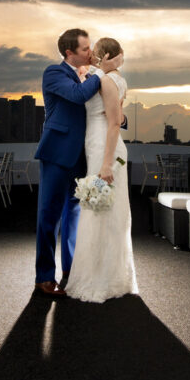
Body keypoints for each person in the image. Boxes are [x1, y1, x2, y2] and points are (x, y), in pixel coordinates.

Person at [34, 29, 121, 297]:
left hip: (83, 156)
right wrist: (101, 72)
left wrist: (119, 117)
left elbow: (96, 109)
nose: (90, 53)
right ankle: (44, 277)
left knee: (74, 217)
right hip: (57, 154)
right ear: (69, 52)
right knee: (49, 217)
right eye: (85, 49)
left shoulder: (87, 77)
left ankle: (72, 272)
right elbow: (76, 96)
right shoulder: (54, 73)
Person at [65, 37, 138, 303]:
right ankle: (107, 273)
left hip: (106, 151)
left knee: (97, 210)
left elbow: (114, 123)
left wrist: (106, 164)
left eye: (95, 54)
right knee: (105, 210)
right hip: (99, 147)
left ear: (104, 55)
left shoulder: (106, 81)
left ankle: (100, 278)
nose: (92, 58)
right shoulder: (114, 78)